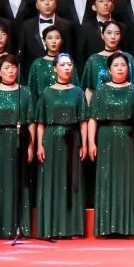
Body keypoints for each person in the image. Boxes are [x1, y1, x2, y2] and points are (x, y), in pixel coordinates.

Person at [88, 53, 134, 237]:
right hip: (106, 138)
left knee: (130, 180)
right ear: (109, 69)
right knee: (107, 180)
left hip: (130, 138)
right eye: (116, 65)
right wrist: (91, 142)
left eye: (123, 65)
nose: (120, 68)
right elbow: (92, 119)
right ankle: (107, 227)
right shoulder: (101, 90)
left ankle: (131, 227)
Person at [0, 54, 34, 241]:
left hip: (19, 139)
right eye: (6, 68)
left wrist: (30, 146)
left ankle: (19, 227)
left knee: (19, 182)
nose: (11, 71)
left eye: (13, 67)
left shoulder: (25, 92)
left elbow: (31, 122)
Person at [35, 54, 89, 240]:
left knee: (72, 182)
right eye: (63, 64)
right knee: (52, 181)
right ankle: (51, 227)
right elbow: (40, 122)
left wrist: (83, 143)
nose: (67, 68)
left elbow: (83, 121)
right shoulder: (46, 92)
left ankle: (72, 227)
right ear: (54, 68)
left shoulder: (78, 92)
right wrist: (39, 145)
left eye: (69, 64)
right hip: (51, 140)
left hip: (73, 139)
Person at [81, 21, 134, 97]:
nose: (113, 37)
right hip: (100, 102)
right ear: (102, 35)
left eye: (117, 33)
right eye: (109, 33)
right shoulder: (93, 60)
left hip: (125, 101)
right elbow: (89, 89)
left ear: (120, 36)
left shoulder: (128, 59)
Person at [25, 25, 65, 101]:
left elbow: (74, 89)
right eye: (50, 38)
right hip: (42, 105)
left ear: (61, 41)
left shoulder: (67, 62)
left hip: (65, 104)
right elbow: (31, 92)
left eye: (57, 38)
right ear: (44, 41)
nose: (54, 41)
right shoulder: (37, 64)